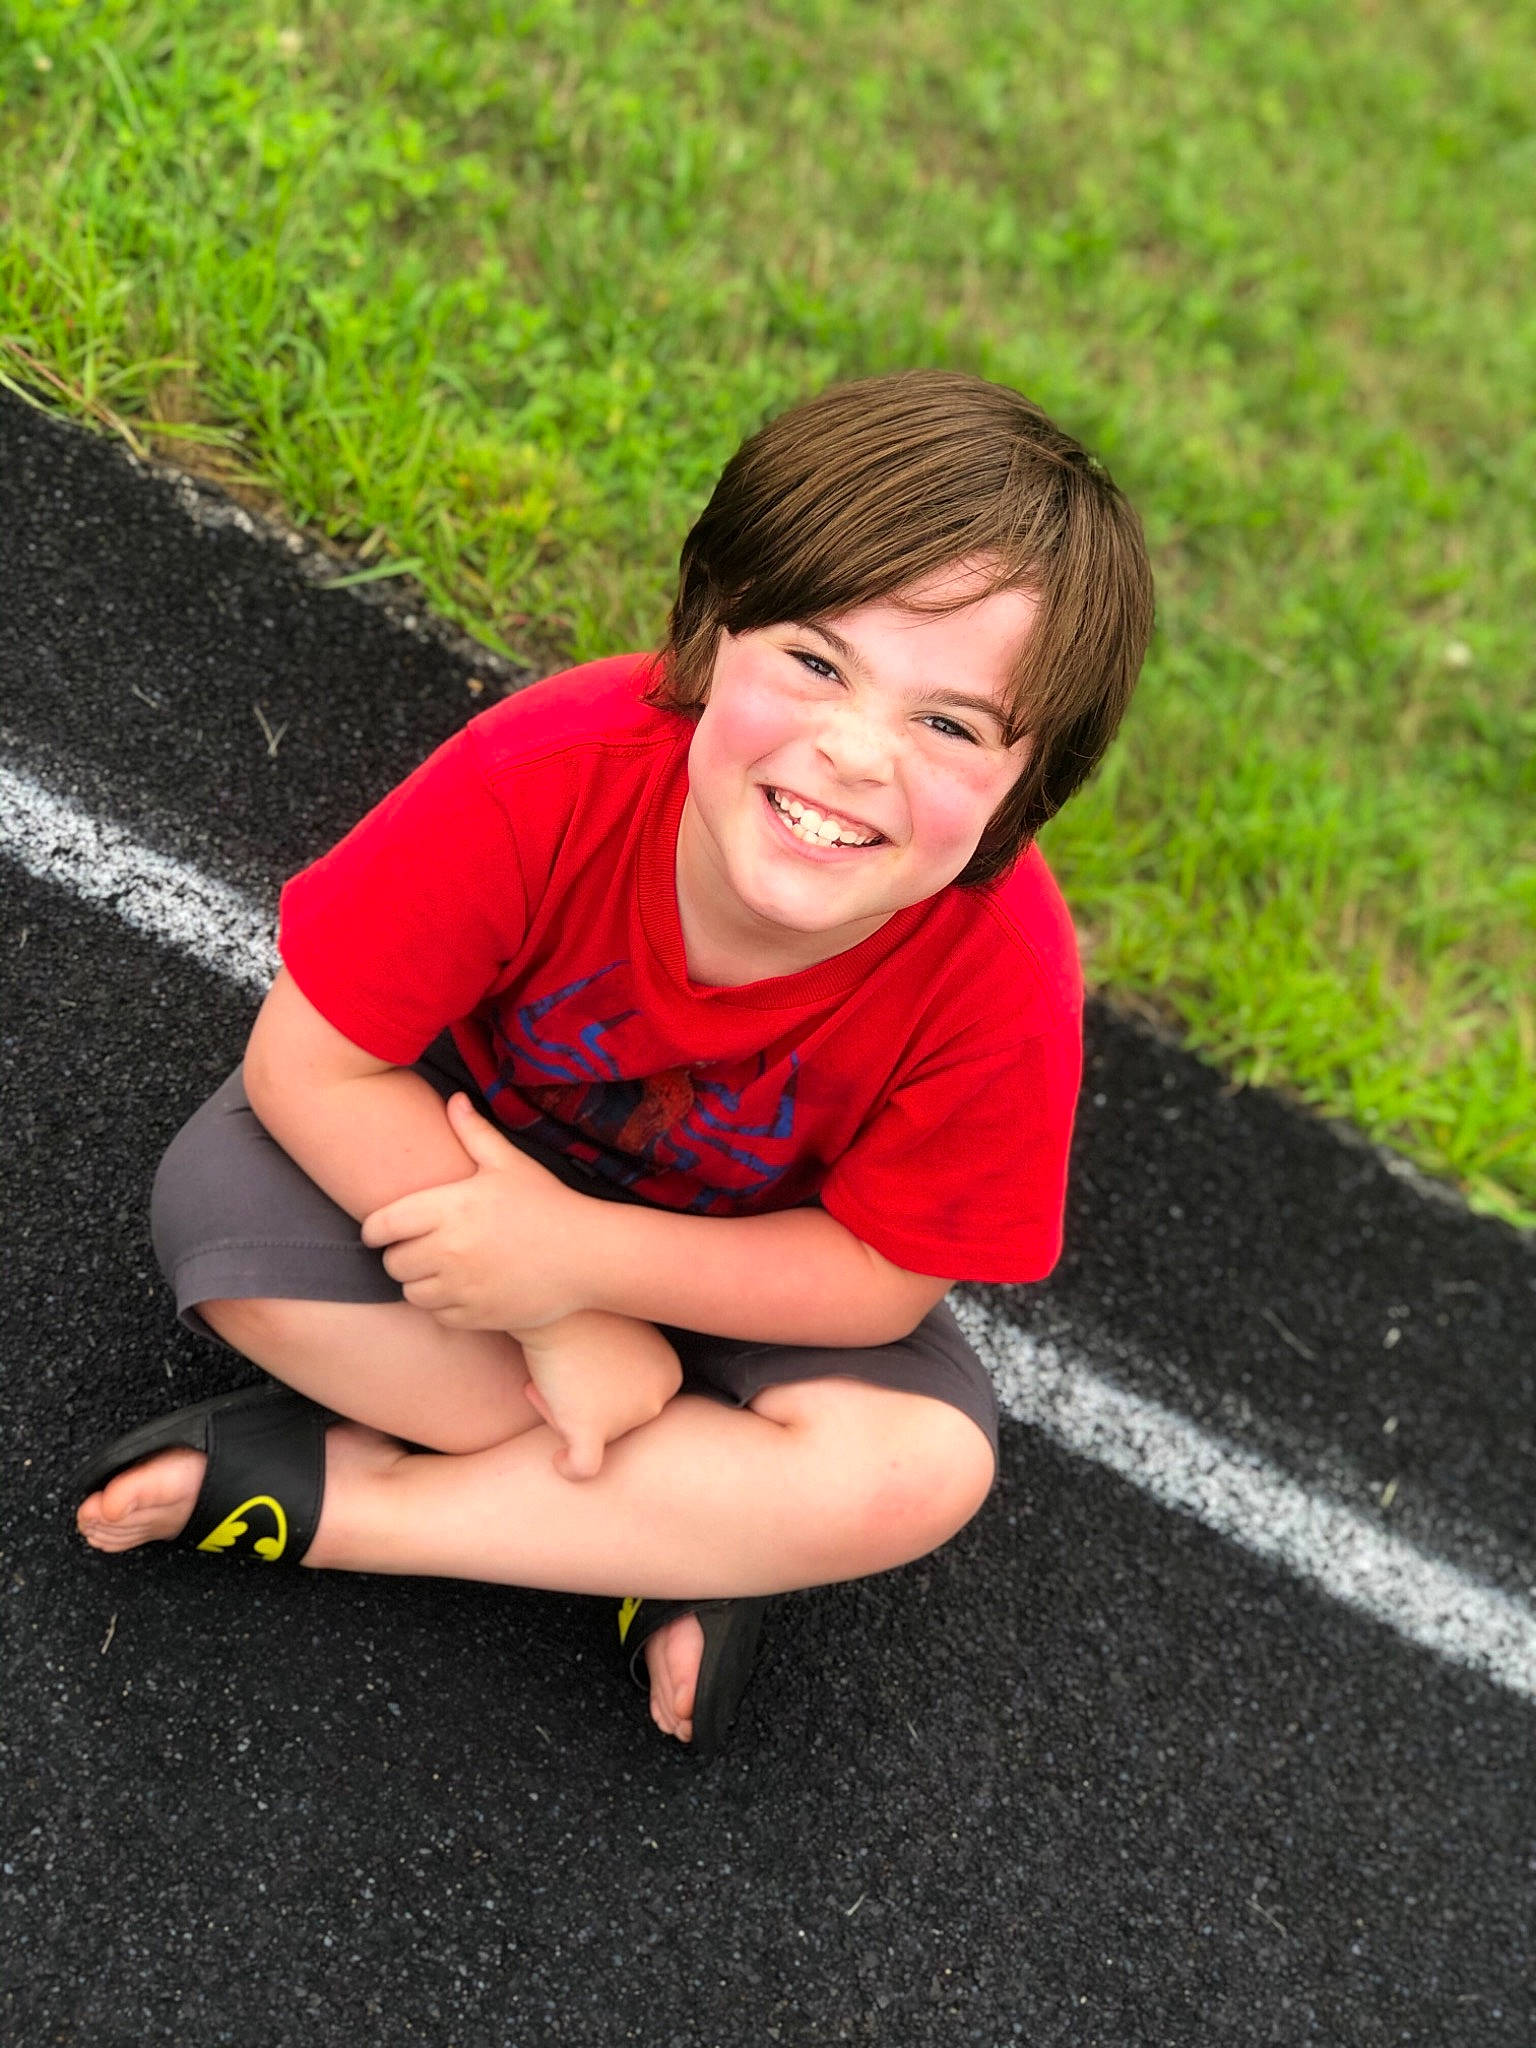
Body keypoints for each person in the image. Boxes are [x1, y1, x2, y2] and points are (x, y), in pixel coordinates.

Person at [73, 369, 1153, 1755]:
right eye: (816, 663)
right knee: (226, 1235)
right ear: (710, 633)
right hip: (449, 1174)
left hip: (732, 1270)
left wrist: (589, 1269)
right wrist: (556, 1318)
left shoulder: (1002, 969)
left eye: (950, 726)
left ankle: (372, 1513)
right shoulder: (550, 773)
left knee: (919, 1470)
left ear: (1030, 788)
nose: (851, 754)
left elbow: (882, 1279)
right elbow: (311, 1068)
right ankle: (690, 1531)